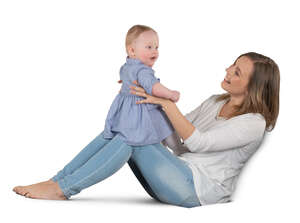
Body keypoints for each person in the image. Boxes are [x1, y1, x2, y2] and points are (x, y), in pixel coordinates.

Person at [13, 52, 280, 208]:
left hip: (196, 190)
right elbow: (176, 143)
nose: (227, 71)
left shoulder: (254, 124)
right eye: (231, 66)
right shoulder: (215, 101)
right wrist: (144, 99)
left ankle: (63, 189)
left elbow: (197, 143)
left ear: (254, 86)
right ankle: (57, 180)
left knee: (134, 138)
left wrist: (165, 103)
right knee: (126, 128)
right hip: (174, 174)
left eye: (237, 72)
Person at [103, 24, 179, 146]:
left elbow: (126, 79)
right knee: (165, 127)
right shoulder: (143, 71)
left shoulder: (125, 67)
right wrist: (171, 94)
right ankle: (178, 149)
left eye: (156, 47)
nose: (154, 51)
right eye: (149, 47)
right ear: (132, 51)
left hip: (127, 115)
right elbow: (155, 88)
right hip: (145, 111)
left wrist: (125, 83)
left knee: (147, 136)